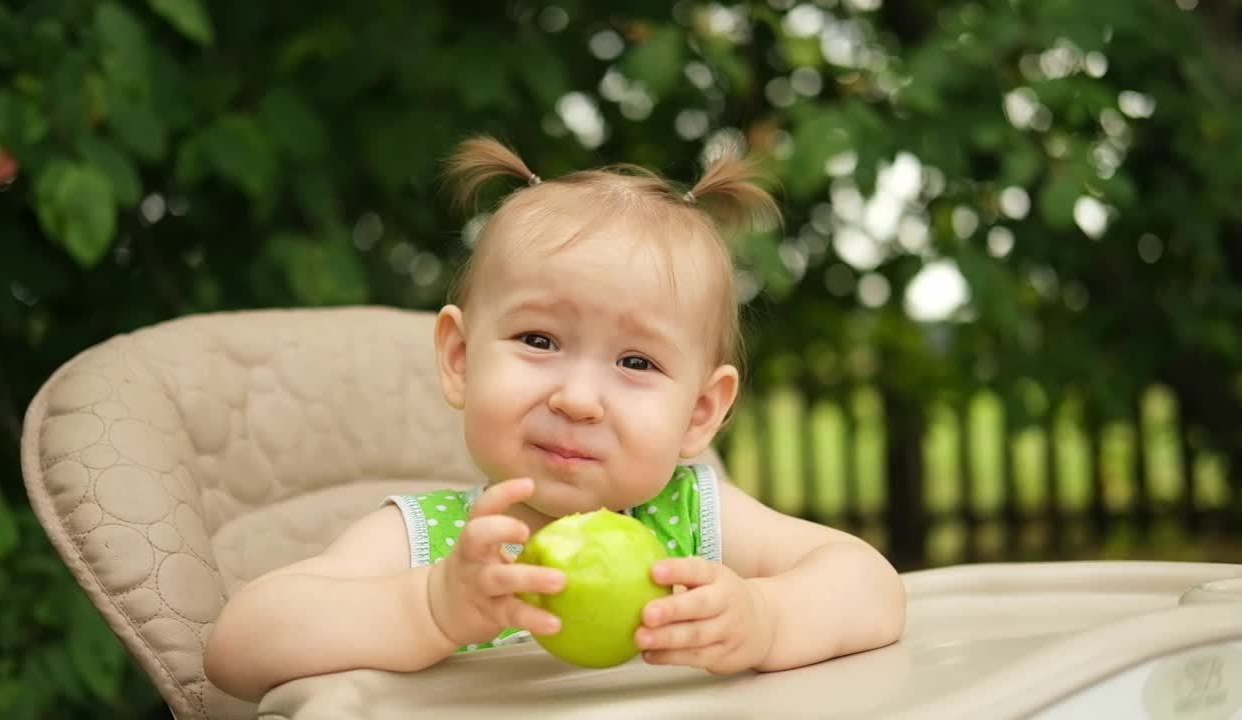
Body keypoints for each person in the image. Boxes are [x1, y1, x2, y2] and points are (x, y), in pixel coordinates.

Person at [204, 137, 906, 702]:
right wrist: (430, 609)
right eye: (539, 342)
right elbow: (235, 651)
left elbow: (873, 588)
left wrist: (767, 619)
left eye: (636, 363)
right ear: (459, 358)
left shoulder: (693, 521)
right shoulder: (439, 546)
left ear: (699, 413)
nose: (577, 398)